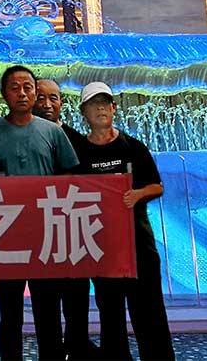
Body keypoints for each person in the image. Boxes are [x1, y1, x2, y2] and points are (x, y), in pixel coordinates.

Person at [0, 66, 79, 361]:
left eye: (27, 87)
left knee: (48, 309)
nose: (22, 93)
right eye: (14, 88)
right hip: (5, 237)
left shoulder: (53, 132)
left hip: (45, 235)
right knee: (10, 312)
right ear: (3, 94)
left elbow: (70, 176)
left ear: (34, 92)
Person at [75, 82, 175, 361]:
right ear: (84, 112)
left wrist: (137, 194)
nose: (100, 109)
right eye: (94, 105)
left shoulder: (133, 147)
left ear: (114, 108)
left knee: (150, 311)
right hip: (101, 246)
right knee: (110, 313)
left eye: (105, 103)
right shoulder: (79, 151)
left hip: (138, 244)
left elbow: (157, 186)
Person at [32, 78, 99, 361]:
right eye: (41, 97)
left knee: (77, 301)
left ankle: (78, 347)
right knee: (44, 303)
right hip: (37, 235)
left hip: (74, 233)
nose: (47, 104)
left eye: (54, 98)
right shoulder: (20, 138)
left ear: (62, 103)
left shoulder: (79, 141)